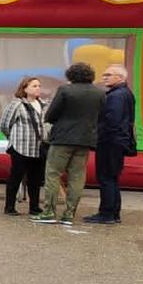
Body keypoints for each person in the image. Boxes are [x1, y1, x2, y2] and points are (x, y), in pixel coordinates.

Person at [38, 61, 104, 226]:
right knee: (77, 177)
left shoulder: (65, 90)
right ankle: (69, 215)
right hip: (85, 140)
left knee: (53, 174)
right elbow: (101, 116)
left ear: (71, 75)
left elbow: (51, 115)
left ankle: (49, 212)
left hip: (62, 139)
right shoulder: (100, 93)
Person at [89, 63, 138, 226]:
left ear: (120, 77)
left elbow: (112, 120)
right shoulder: (125, 93)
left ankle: (107, 213)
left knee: (106, 177)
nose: (104, 78)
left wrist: (99, 136)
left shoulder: (116, 96)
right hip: (118, 141)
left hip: (110, 142)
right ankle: (113, 212)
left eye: (108, 75)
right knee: (112, 177)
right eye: (104, 75)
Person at [0, 75, 47, 217]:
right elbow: (4, 125)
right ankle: (9, 206)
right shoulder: (17, 105)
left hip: (38, 148)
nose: (37, 88)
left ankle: (34, 207)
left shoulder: (43, 105)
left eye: (39, 86)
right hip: (20, 147)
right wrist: (13, 138)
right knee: (16, 177)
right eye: (34, 86)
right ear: (24, 88)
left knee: (36, 179)